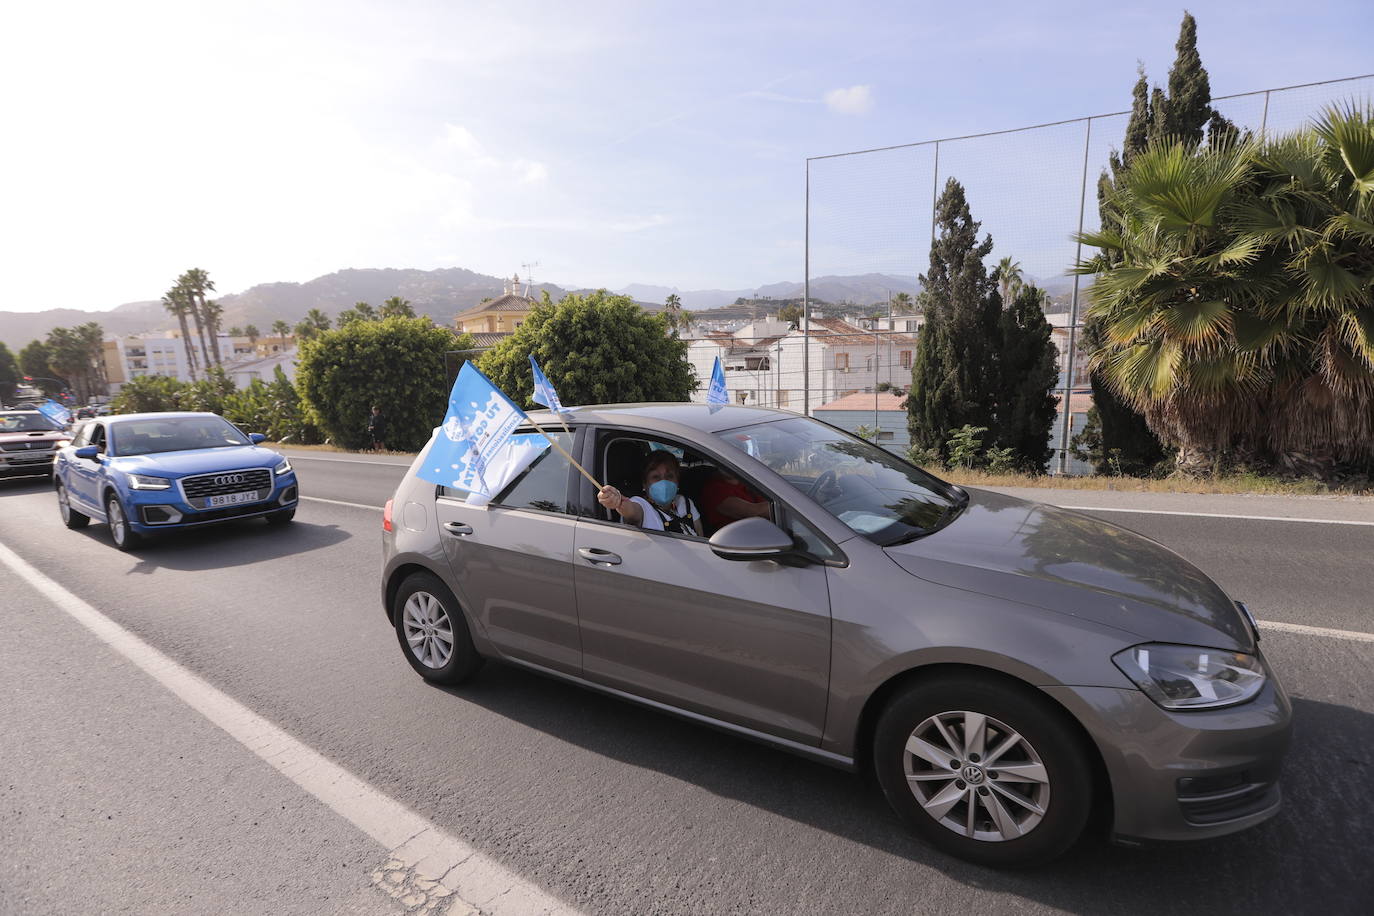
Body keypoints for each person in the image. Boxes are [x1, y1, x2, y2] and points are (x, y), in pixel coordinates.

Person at [596, 449, 704, 537]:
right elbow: (630, 510)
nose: (664, 482)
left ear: (677, 480)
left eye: (669, 476)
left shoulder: (685, 503)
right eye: (655, 477)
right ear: (644, 484)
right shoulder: (642, 505)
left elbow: (701, 540)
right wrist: (617, 500)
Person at [700, 467, 770, 532]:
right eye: (724, 463)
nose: (728, 467)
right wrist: (778, 504)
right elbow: (754, 512)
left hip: (759, 531)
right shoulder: (715, 489)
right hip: (736, 538)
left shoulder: (746, 482)